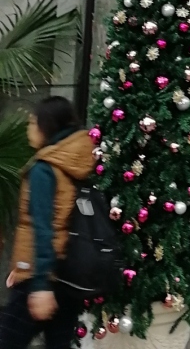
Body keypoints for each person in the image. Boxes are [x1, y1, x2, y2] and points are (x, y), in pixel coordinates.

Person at [0, 96, 95, 349]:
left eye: (33, 122)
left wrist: (40, 283)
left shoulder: (45, 169)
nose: (29, 129)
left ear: (47, 125)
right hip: (69, 275)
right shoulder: (77, 162)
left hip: (41, 276)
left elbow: (43, 229)